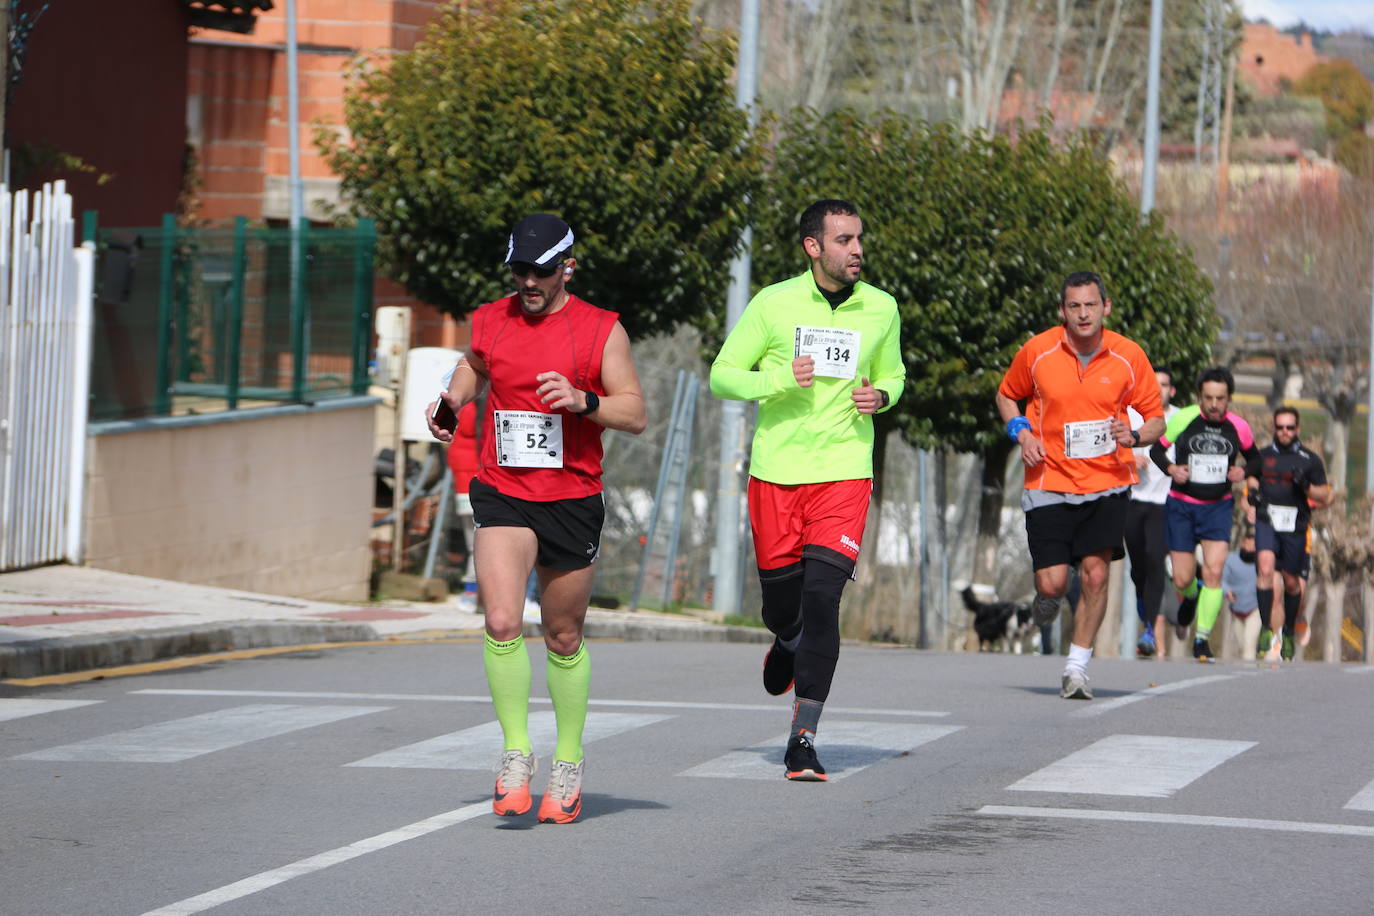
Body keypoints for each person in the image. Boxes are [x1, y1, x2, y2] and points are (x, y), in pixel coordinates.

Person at [426, 213, 646, 823]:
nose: (527, 281)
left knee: (563, 635)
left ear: (566, 268)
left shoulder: (602, 331)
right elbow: (475, 366)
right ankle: (517, 753)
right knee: (500, 619)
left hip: (572, 497)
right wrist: (453, 398)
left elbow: (634, 413)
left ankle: (568, 760)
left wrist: (584, 401)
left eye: (540, 271)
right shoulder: (491, 319)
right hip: (504, 489)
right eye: (519, 269)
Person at [710, 199, 904, 780]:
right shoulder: (773, 303)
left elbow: (893, 373)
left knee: (824, 598)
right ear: (813, 247)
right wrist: (777, 377)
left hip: (845, 473)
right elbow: (723, 374)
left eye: (859, 238)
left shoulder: (882, 308)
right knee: (782, 606)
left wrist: (884, 396)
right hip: (777, 476)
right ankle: (787, 639)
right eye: (844, 240)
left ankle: (803, 736)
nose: (857, 250)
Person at [996, 270, 1164, 700]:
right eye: (1075, 306)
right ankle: (1047, 600)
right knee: (1052, 583)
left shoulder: (1128, 356)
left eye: (1091, 305)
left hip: (1107, 482)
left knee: (1094, 576)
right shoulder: (1038, 351)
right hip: (1049, 480)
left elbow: (1155, 417)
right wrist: (1022, 433)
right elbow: (1006, 394)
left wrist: (1136, 435)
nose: (1084, 313)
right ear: (1062, 311)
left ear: (1105, 307)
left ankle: (1076, 669)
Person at [1149, 366, 1259, 663]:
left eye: (1220, 398)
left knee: (1214, 571)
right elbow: (1156, 452)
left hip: (1218, 507)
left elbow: (1257, 459)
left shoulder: (1239, 427)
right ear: (1200, 396)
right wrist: (1171, 469)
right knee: (1183, 577)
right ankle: (1191, 594)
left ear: (1229, 398)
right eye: (1208, 397)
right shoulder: (1184, 418)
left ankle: (1202, 640)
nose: (1213, 404)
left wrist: (1244, 471)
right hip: (1182, 506)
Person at [1246, 407, 1332, 662]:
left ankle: (1289, 632)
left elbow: (1325, 495)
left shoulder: (1310, 460)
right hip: (1267, 521)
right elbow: (1251, 479)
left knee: (1291, 582)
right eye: (1280, 427)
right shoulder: (1262, 456)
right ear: (1274, 428)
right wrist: (1253, 494)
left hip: (1295, 526)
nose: (1285, 432)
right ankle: (1265, 628)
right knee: (1264, 568)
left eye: (1290, 428)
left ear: (1297, 429)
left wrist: (1305, 485)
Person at [1124, 368, 1178, 658]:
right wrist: (1130, 459)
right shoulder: (1131, 416)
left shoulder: (1180, 418)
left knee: (1156, 560)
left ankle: (1149, 630)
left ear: (1173, 390)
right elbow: (1110, 450)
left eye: (1165, 385)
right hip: (1133, 501)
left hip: (1164, 503)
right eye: (1154, 384)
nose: (1159, 389)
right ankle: (1148, 618)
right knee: (1138, 571)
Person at [1222, 531, 1261, 660]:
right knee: (1241, 645)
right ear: (1242, 543)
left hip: (1255, 609)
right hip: (1236, 611)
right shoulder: (1231, 560)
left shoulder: (1262, 561)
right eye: (1247, 544)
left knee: (1248, 643)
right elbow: (1222, 579)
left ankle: (1250, 675)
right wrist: (1226, 590)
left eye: (1253, 545)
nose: (1250, 548)